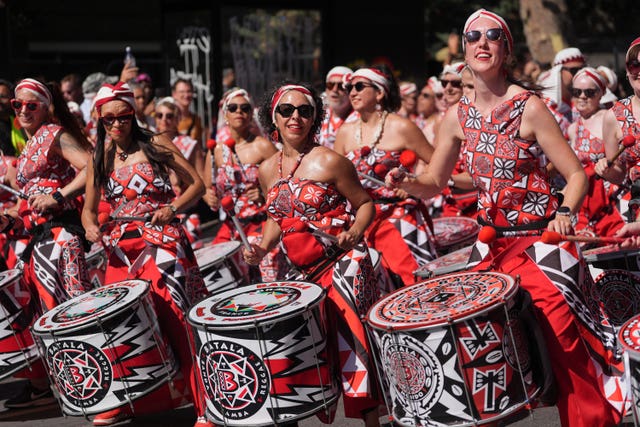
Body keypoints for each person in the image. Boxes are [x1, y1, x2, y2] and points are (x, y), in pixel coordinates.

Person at [387, 9, 625, 426]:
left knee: (568, 346)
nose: (482, 42)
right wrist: (407, 182)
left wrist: (565, 213)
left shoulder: (529, 107)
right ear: (464, 49)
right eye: (473, 35)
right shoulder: (456, 116)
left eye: (492, 36)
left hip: (542, 245)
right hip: (491, 249)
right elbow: (435, 183)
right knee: (479, 358)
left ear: (506, 49)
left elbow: (574, 176)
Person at [242, 82, 381, 426]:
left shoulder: (331, 161)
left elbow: (365, 205)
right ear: (272, 118)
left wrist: (355, 231)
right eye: (286, 110)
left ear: (315, 118)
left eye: (305, 110)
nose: (296, 117)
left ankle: (374, 422)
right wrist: (261, 246)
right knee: (303, 354)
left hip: (345, 265)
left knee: (355, 351)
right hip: (304, 275)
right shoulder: (266, 171)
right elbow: (279, 219)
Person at [81, 82, 211, 427]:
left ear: (133, 114)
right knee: (118, 324)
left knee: (177, 319)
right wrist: (91, 227)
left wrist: (173, 207)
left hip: (162, 242)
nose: (116, 124)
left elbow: (197, 184)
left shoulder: (156, 143)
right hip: (121, 249)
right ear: (100, 120)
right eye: (108, 119)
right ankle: (125, 401)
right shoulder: (101, 157)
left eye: (123, 116)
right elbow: (88, 211)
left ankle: (205, 404)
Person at [2, 78, 94, 408]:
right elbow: (28, 202)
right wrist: (10, 218)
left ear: (45, 107)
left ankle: (94, 384)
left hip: (64, 234)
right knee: (49, 314)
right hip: (40, 238)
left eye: (32, 105)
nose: (24, 110)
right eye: (18, 105)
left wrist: (58, 195)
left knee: (75, 309)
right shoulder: (28, 146)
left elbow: (91, 166)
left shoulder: (55, 134)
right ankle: (72, 385)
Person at [334, 66, 436, 287]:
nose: (352, 92)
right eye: (349, 87)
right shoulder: (344, 132)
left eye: (359, 86)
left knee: (417, 286)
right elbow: (336, 181)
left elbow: (437, 165)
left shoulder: (401, 127)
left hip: (400, 218)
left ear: (379, 92)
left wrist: (411, 182)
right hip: (362, 223)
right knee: (378, 295)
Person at [203, 88, 286, 281]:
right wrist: (209, 197)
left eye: (245, 108)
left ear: (251, 114)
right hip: (231, 227)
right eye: (233, 108)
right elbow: (207, 187)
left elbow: (284, 183)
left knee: (268, 281)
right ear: (225, 114)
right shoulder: (216, 150)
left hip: (259, 224)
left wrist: (263, 194)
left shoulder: (262, 146)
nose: (239, 112)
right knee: (217, 277)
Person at [567, 67, 624, 238]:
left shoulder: (608, 118)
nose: (582, 96)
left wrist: (606, 168)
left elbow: (622, 166)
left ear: (601, 94)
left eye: (589, 92)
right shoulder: (572, 128)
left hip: (609, 200)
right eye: (577, 92)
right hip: (584, 201)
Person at [596, 37, 640, 222]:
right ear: (627, 71)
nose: (639, 72)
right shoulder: (614, 116)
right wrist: (607, 171)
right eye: (634, 65)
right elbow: (619, 174)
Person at [318, 65, 358, 150]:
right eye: (330, 85)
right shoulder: (318, 114)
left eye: (341, 86)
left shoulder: (359, 118)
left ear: (350, 90)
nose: (335, 89)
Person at [172, 78, 203, 142]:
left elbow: (199, 147)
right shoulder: (167, 118)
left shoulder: (196, 120)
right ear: (174, 94)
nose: (186, 95)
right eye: (182, 92)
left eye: (189, 91)